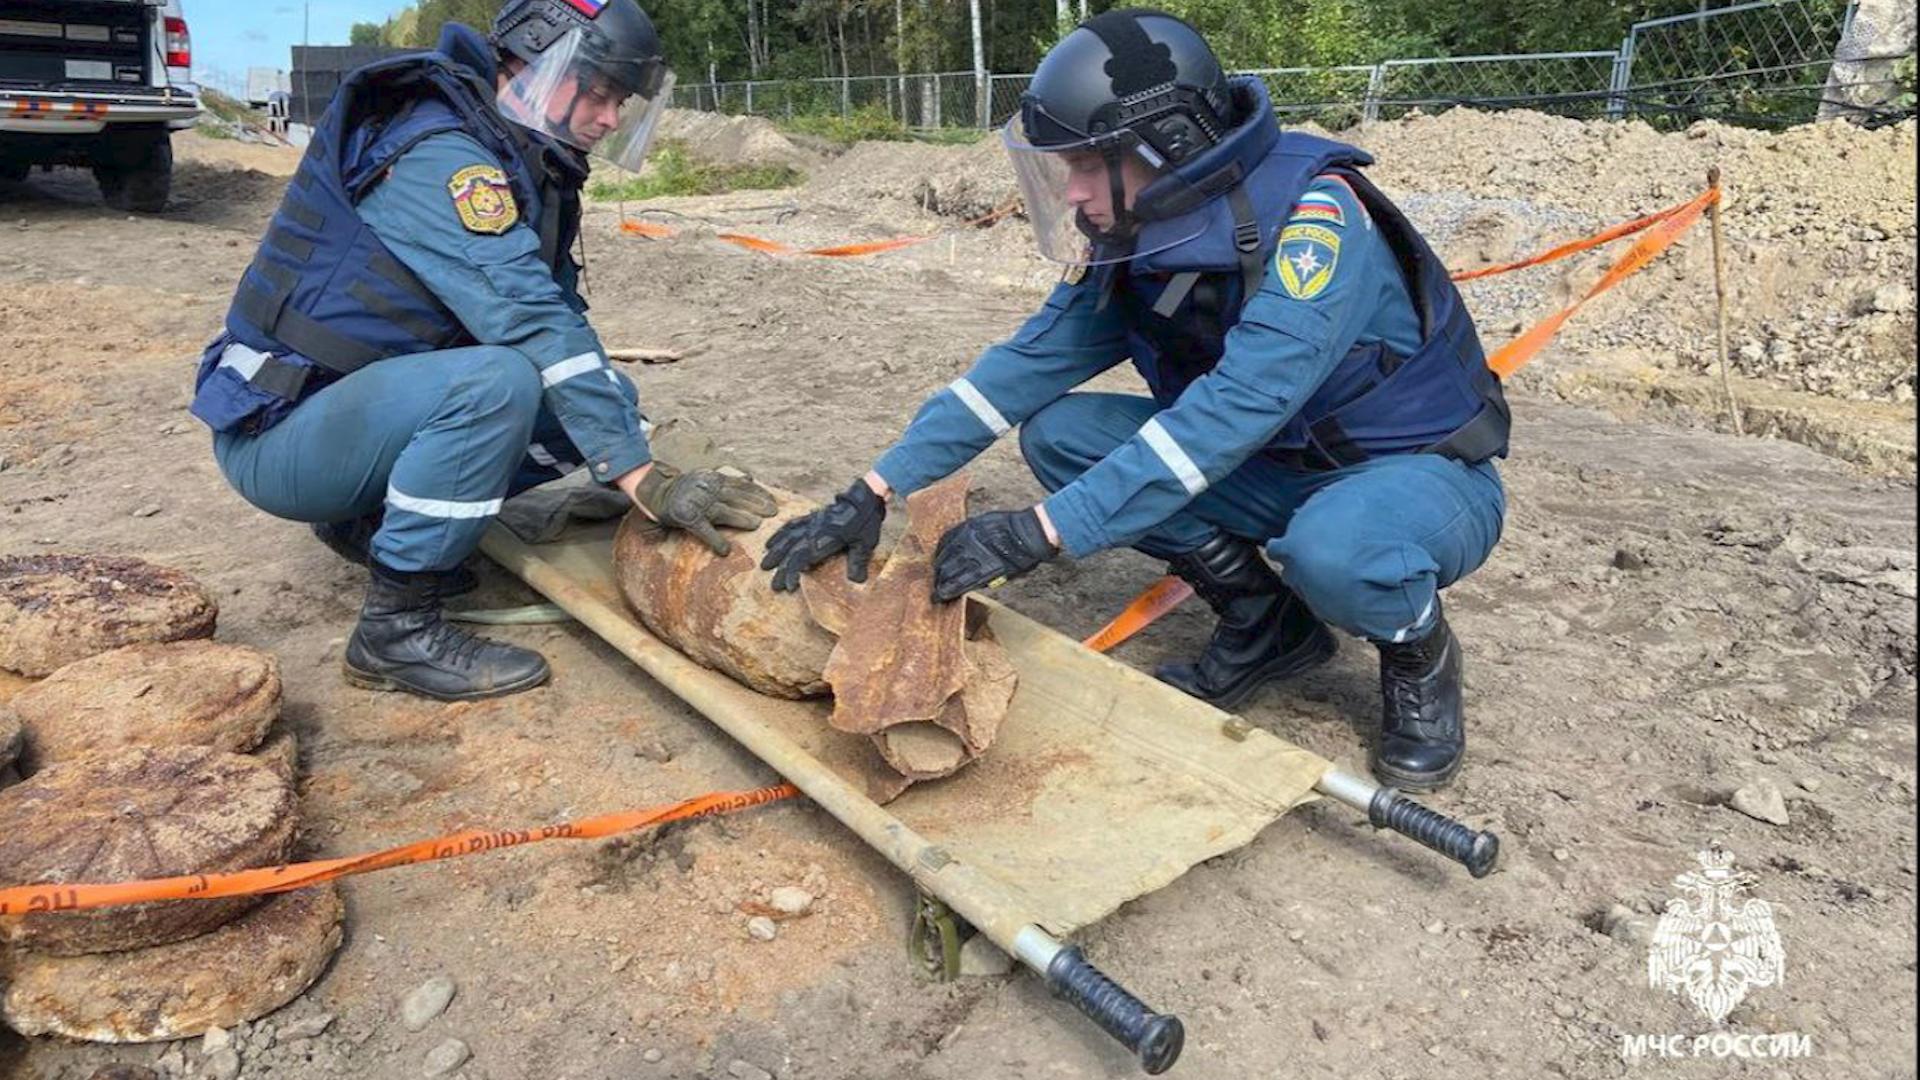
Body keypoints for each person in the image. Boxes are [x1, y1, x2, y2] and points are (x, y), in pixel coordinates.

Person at [760, 9, 1510, 791]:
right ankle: (1266, 622)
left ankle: (1419, 653)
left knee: (1336, 552)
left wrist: (1043, 530)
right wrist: (874, 488)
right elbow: (1021, 368)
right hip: (1275, 462)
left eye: (1088, 164)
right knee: (1062, 434)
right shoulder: (1140, 230)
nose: (1074, 192)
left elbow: (1236, 407)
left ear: (1169, 143)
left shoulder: (1315, 220)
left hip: (1412, 472)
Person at [190, 0, 773, 702]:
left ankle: (366, 523)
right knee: (495, 384)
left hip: (347, 411)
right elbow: (532, 322)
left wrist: (641, 443)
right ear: (532, 63)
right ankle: (395, 631)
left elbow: (565, 328)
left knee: (598, 400)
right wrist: (639, 475)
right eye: (598, 92)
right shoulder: (439, 152)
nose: (610, 118)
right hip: (280, 433)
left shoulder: (521, 156)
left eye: (622, 101)